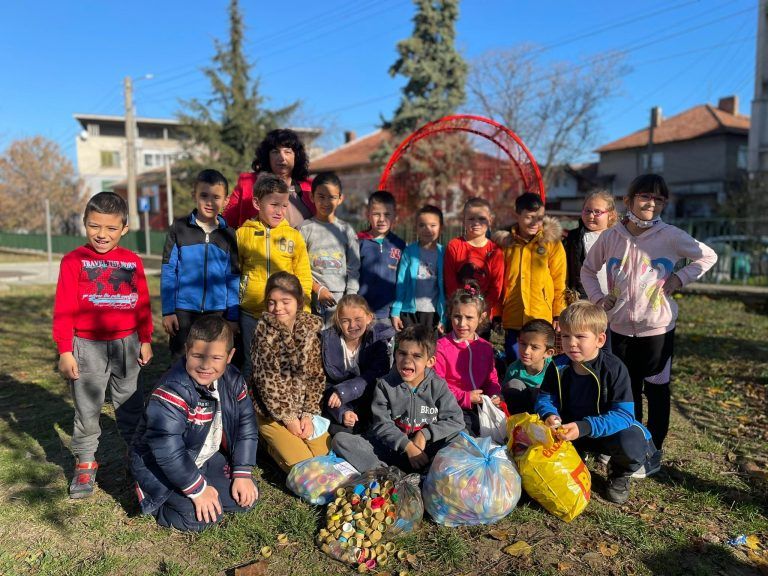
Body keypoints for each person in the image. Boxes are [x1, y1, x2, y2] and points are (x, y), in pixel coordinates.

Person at [581, 173, 717, 453]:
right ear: (628, 200)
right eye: (645, 196)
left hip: (657, 329)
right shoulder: (610, 236)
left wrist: (680, 278)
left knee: (656, 391)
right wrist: (597, 298)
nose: (651, 202)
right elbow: (588, 270)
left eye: (659, 198)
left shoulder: (670, 236)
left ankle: (654, 448)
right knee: (626, 390)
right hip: (618, 327)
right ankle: (631, 445)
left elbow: (708, 256)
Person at [52, 191, 153, 499]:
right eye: (95, 226)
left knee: (131, 405)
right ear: (84, 224)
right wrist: (65, 350)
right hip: (86, 347)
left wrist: (145, 339)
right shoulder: (73, 262)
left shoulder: (132, 261)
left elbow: (142, 303)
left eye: (110, 228)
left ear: (124, 228)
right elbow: (64, 308)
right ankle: (85, 461)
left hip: (127, 345)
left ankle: (138, 459)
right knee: (87, 409)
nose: (102, 234)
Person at [130, 316, 258, 532]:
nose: (206, 365)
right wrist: (197, 490)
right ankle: (154, 498)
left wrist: (242, 472)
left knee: (245, 499)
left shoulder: (234, 379)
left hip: (203, 456)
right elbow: (167, 449)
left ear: (230, 356)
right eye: (198, 356)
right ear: (187, 351)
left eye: (216, 357)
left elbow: (246, 425)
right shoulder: (172, 390)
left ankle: (201, 484)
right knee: (199, 519)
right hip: (159, 465)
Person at [535, 301, 659, 504]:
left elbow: (624, 415)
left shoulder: (614, 368)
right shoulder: (557, 366)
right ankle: (576, 455)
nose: (571, 343)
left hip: (604, 432)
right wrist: (549, 414)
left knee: (632, 443)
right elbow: (546, 397)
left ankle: (619, 472)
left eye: (580, 336)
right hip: (569, 429)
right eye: (566, 336)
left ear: (600, 339)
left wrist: (584, 427)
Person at [332, 325, 464, 473]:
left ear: (430, 361)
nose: (407, 361)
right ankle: (387, 475)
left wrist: (424, 435)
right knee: (341, 440)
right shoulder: (385, 385)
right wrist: (406, 446)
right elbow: (382, 424)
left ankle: (431, 474)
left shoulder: (438, 386)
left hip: (427, 451)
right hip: (393, 450)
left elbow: (456, 420)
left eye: (416, 356)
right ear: (395, 354)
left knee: (460, 439)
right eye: (402, 353)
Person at [249, 272, 330, 472]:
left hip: (303, 411)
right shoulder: (263, 334)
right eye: (271, 302)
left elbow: (317, 376)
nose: (278, 308)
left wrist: (308, 415)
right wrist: (289, 419)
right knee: (306, 467)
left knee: (324, 457)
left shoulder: (312, 329)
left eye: (285, 301)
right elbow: (268, 386)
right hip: (272, 413)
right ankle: (267, 444)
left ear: (298, 301)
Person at [236, 173, 313, 381]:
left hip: (285, 315)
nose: (280, 211)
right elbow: (234, 273)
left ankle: (280, 409)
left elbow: (303, 275)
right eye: (273, 204)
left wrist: (303, 309)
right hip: (251, 314)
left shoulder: (294, 237)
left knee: (282, 364)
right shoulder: (242, 235)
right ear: (256, 203)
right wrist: (233, 312)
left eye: (284, 205)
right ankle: (246, 410)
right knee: (252, 364)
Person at [161, 169, 240, 363]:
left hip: (217, 312)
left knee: (212, 360)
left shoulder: (229, 234)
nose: (210, 202)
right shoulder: (179, 228)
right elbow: (169, 270)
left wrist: (232, 315)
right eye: (204, 195)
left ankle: (209, 394)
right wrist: (168, 311)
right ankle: (180, 393)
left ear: (226, 200)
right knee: (182, 359)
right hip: (183, 311)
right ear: (194, 195)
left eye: (216, 197)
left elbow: (233, 276)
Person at [495, 192, 566, 363]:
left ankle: (541, 389)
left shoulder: (551, 243)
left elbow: (559, 280)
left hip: (540, 315)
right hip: (513, 314)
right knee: (515, 360)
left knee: (539, 361)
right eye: (529, 217)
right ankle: (514, 388)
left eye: (539, 217)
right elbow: (498, 280)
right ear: (517, 215)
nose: (535, 223)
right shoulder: (506, 244)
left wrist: (558, 313)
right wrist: (496, 313)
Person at [434, 282, 503, 437]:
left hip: (481, 406)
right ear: (450, 315)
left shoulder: (485, 347)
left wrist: (494, 394)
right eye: (457, 317)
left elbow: (491, 378)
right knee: (467, 437)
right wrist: (465, 397)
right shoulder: (441, 347)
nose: (462, 323)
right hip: (451, 409)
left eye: (469, 318)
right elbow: (437, 386)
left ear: (481, 317)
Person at [321, 295, 392, 435]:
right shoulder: (327, 343)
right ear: (338, 322)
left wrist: (344, 391)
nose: (352, 325)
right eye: (346, 321)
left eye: (358, 319)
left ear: (369, 318)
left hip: (372, 403)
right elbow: (325, 384)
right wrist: (343, 411)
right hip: (340, 406)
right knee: (340, 434)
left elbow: (375, 375)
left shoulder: (378, 342)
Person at [298, 172, 360, 326]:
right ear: (312, 197)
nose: (326, 202)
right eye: (321, 196)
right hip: (311, 299)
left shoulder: (347, 231)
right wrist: (317, 289)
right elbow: (299, 267)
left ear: (340, 199)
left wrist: (350, 298)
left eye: (332, 197)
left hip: (340, 301)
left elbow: (354, 267)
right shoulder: (304, 229)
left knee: (335, 346)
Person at [223, 128, 315, 229]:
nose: (282, 157)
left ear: (296, 156)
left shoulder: (311, 186)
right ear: (267, 156)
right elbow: (226, 222)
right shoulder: (247, 183)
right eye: (275, 152)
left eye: (287, 152)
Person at [444, 197, 505, 337]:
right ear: (463, 220)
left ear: (490, 220)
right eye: (471, 219)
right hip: (458, 314)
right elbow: (450, 281)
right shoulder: (454, 246)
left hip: (481, 316)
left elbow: (496, 287)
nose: (476, 223)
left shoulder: (495, 251)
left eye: (482, 218)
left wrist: (481, 310)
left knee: (478, 352)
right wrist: (459, 307)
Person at [390, 204, 446, 333]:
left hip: (433, 312)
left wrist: (443, 317)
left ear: (441, 228)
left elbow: (445, 287)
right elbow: (401, 283)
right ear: (416, 228)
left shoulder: (444, 253)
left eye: (433, 225)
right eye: (422, 225)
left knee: (429, 349)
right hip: (409, 312)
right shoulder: (409, 252)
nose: (427, 229)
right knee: (410, 347)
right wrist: (396, 311)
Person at [357, 191, 406, 327]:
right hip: (361, 312)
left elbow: (402, 280)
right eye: (376, 214)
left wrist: (396, 311)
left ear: (395, 216)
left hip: (387, 314)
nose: (382, 219)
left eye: (387, 214)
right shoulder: (358, 242)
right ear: (368, 215)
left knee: (385, 349)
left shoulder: (400, 245)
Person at [563, 189, 618, 300]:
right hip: (584, 299)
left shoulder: (619, 237)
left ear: (611, 215)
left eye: (597, 212)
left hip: (615, 298)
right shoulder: (573, 238)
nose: (591, 216)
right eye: (587, 211)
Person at [501, 319, 556, 414]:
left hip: (544, 414)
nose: (526, 351)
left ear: (548, 353)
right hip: (519, 414)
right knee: (514, 384)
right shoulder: (514, 369)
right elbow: (503, 395)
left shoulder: (554, 370)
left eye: (534, 347)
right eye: (523, 344)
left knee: (540, 390)